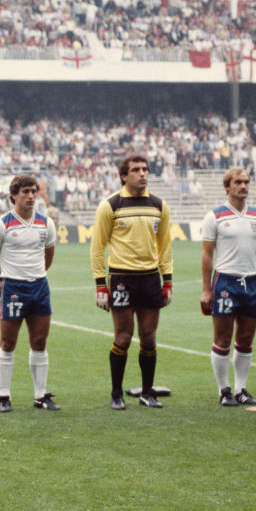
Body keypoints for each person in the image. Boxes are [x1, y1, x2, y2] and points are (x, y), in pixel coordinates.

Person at [89, 154, 173, 410]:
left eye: (145, 169)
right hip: (122, 278)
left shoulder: (159, 205)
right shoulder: (110, 205)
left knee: (148, 338)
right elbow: (97, 246)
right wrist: (100, 284)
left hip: (149, 278)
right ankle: (116, 393)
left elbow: (165, 245)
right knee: (123, 337)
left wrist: (167, 279)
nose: (142, 173)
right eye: (136, 169)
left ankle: (148, 392)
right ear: (124, 176)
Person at [0, 175, 59, 412]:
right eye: (25, 192)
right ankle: (3, 395)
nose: (30, 196)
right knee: (8, 342)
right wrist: (7, 278)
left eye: (33, 192)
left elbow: (48, 255)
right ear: (14, 195)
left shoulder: (46, 223)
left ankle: (40, 395)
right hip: (13, 288)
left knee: (39, 341)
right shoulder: (2, 224)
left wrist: (34, 275)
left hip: (39, 287)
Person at [199, 168, 256, 407]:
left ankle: (241, 389)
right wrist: (207, 290)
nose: (243, 186)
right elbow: (207, 255)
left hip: (252, 283)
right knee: (222, 338)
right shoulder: (215, 216)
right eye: (238, 182)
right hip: (226, 283)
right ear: (227, 187)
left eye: (246, 182)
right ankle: (223, 390)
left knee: (246, 338)